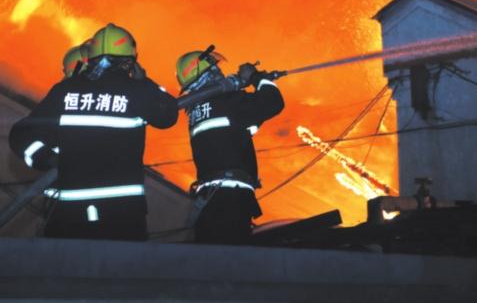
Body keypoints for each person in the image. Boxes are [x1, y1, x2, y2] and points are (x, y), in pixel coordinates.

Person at [8, 23, 178, 240]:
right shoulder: (138, 91)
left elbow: (21, 135)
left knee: (67, 270)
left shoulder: (66, 90)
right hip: (122, 214)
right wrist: (146, 81)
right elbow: (168, 115)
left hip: (69, 214)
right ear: (130, 61)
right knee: (120, 272)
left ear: (91, 57)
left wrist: (48, 159)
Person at [176, 49, 284, 244]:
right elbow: (273, 102)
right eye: (215, 68)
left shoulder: (196, 111)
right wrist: (258, 78)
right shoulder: (225, 102)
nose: (219, 71)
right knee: (232, 258)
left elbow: (243, 127)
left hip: (211, 198)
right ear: (207, 73)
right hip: (231, 198)